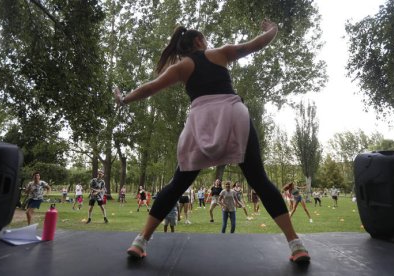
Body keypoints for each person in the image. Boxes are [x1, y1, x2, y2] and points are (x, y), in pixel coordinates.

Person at [115, 18, 310, 263]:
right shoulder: (221, 53)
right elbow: (256, 44)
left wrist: (124, 99)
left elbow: (149, 88)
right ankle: (296, 245)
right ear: (199, 41)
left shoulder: (180, 67)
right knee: (258, 179)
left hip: (201, 121)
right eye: (204, 39)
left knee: (178, 183)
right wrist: (273, 29)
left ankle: (140, 241)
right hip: (232, 115)